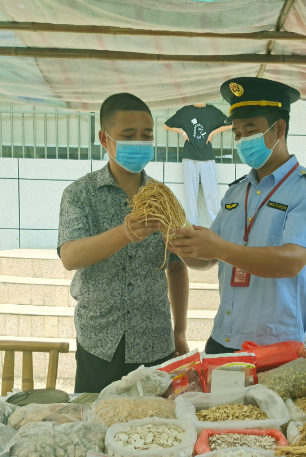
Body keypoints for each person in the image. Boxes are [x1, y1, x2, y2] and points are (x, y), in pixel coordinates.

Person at [168, 77, 306, 355]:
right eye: (236, 133)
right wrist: (179, 243)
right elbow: (207, 258)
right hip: (223, 340)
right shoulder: (236, 192)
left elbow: (292, 262)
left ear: (279, 128)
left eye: (250, 129)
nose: (242, 139)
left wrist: (218, 247)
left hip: (278, 345)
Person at [57, 93, 189, 393]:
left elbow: (177, 267)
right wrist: (124, 233)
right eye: (129, 135)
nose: (139, 143)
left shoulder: (163, 196)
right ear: (105, 139)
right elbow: (70, 256)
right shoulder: (80, 194)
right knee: (96, 422)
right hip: (100, 340)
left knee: (155, 429)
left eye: (147, 136)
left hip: (155, 339)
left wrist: (179, 331)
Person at [164, 103, 232, 226]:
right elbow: (166, 125)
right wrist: (183, 133)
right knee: (190, 195)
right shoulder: (185, 111)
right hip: (189, 157)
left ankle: (215, 228)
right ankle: (192, 228)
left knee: (211, 194)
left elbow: (231, 123)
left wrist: (212, 133)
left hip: (207, 157)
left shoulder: (212, 111)